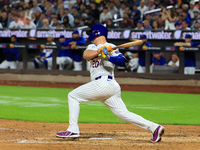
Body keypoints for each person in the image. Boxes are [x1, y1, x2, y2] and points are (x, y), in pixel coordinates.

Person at [56, 24, 165, 142]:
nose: (89, 35)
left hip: (105, 83)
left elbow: (123, 61)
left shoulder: (111, 46)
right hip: (107, 86)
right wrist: (99, 52)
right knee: (123, 114)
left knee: (73, 96)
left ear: (96, 33)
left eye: (91, 32)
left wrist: (107, 57)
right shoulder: (91, 46)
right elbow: (86, 55)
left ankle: (73, 129)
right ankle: (154, 127)